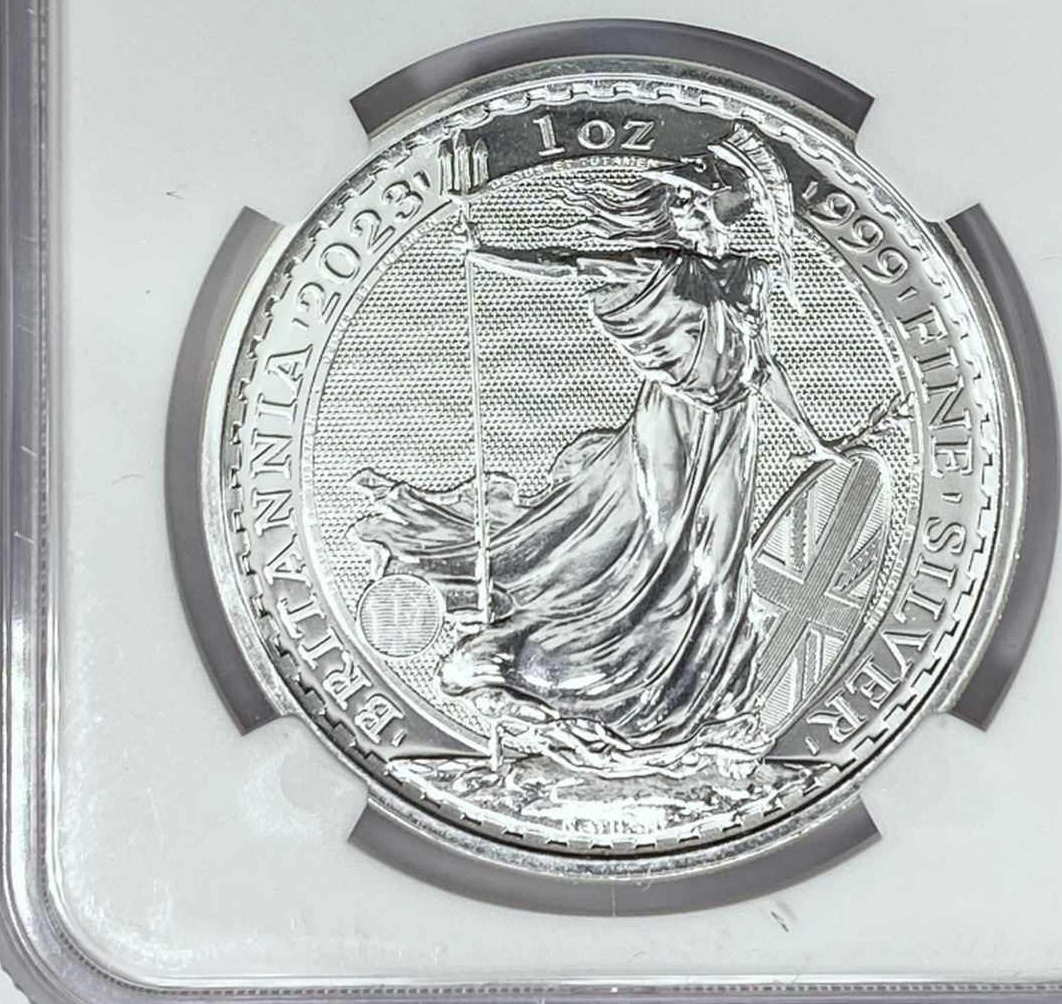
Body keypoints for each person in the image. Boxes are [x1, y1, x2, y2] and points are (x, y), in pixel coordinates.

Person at [353, 125, 873, 761]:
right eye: (679, 203)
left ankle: (706, 696)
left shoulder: (747, 274)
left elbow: (762, 365)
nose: (685, 213)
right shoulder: (659, 268)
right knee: (654, 545)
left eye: (695, 202)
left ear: (720, 209)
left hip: (733, 428)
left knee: (718, 560)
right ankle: (597, 673)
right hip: (671, 421)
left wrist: (813, 438)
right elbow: (569, 264)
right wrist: (485, 251)